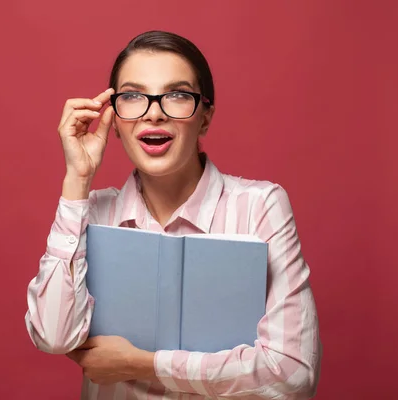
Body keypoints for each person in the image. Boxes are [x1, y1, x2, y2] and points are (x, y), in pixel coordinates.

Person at [25, 30, 322, 399]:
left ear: (205, 116)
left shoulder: (260, 206)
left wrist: (144, 364)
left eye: (177, 95)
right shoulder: (92, 212)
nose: (153, 112)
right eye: (132, 96)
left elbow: (291, 373)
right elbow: (53, 336)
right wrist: (77, 181)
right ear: (114, 119)